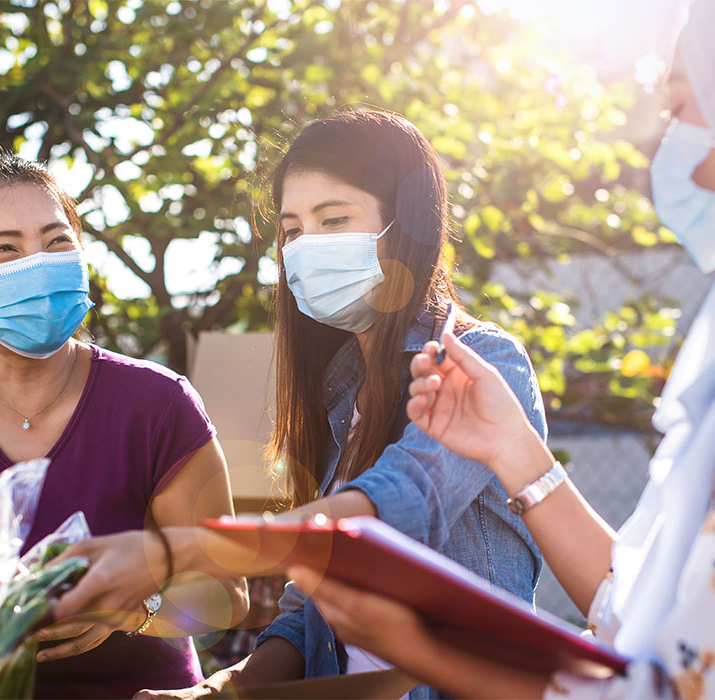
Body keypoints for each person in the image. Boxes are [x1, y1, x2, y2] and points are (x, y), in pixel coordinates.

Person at [286, 1, 715, 698]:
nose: (667, 144)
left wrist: (425, 646)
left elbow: (691, 690)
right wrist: (517, 453)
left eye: (684, 107)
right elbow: (643, 613)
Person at [50, 110, 547, 700]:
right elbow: (305, 611)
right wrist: (216, 692)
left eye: (334, 219)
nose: (307, 248)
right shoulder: (339, 392)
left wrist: (177, 550)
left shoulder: (484, 362)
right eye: (292, 231)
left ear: (406, 227)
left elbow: (389, 511)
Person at [0, 155, 250, 698]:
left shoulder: (157, 404)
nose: (37, 264)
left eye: (57, 242)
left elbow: (228, 592)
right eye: (4, 250)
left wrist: (131, 612)